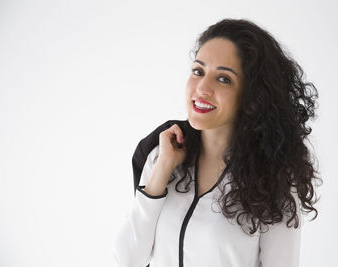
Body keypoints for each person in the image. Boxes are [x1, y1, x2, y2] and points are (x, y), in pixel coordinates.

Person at [113, 18, 321, 267]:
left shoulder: (274, 179)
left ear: (252, 94)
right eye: (198, 71)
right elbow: (126, 261)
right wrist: (161, 173)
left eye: (223, 79)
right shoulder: (162, 154)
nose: (202, 88)